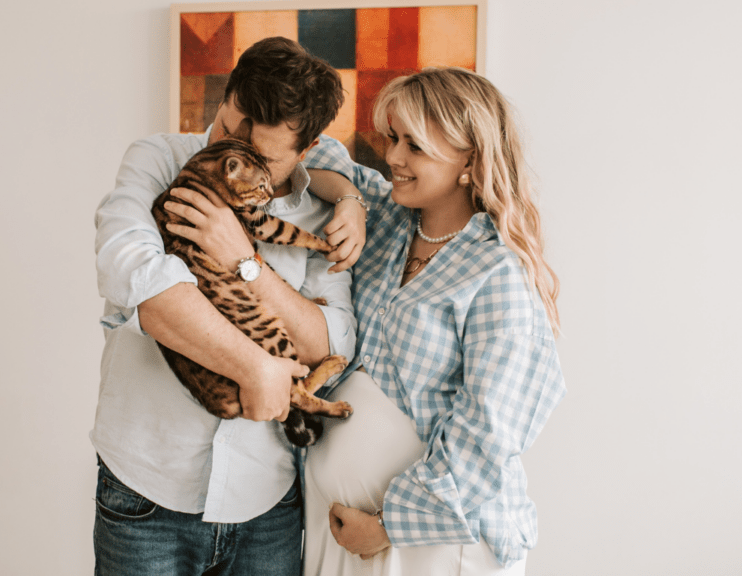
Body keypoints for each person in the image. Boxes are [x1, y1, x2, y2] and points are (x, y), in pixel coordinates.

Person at [90, 37, 357, 576]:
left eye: (261, 155)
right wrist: (255, 368)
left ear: (305, 152)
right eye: (228, 128)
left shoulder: (320, 207)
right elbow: (136, 278)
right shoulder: (157, 160)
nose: (234, 156)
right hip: (147, 493)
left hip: (268, 506)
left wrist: (244, 261)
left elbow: (330, 341)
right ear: (223, 99)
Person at [300, 67, 567, 575]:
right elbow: (307, 156)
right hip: (339, 537)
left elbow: (489, 431)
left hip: (427, 543)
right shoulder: (386, 218)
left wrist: (387, 525)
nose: (393, 157)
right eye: (393, 139)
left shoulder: (497, 272)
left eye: (414, 146)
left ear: (469, 158)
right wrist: (350, 200)